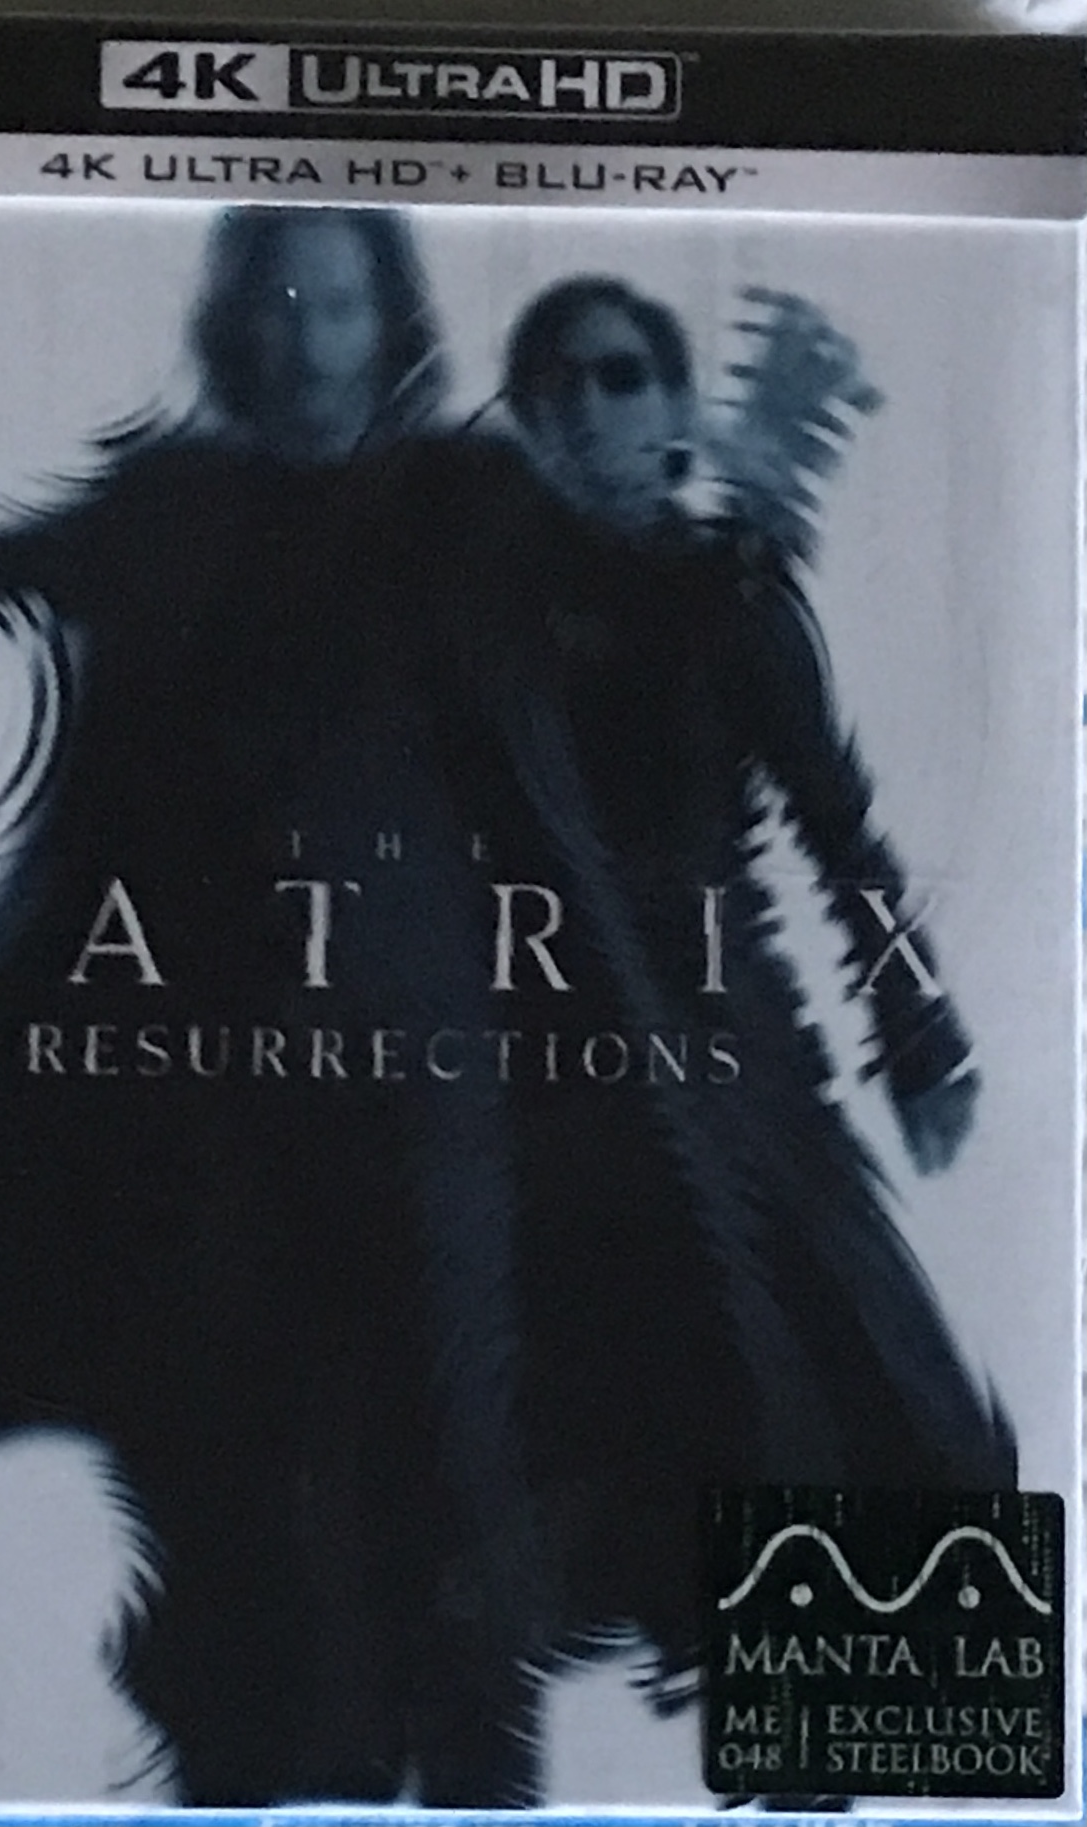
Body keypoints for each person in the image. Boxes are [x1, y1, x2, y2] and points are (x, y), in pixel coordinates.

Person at [0, 207, 554, 1808]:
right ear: (229, 323)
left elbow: (618, 622)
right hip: (219, 1088)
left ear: (389, 320)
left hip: (427, 1073)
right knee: (239, 1437)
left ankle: (474, 1762)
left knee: (453, 1431)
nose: (302, 337)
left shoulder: (472, 499)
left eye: (335, 305)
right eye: (275, 300)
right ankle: (273, 1756)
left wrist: (735, 520)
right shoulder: (171, 499)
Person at [399, 274, 1013, 1705]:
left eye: (619, 376)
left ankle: (843, 1729)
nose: (585, 404)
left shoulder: (730, 594)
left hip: (733, 1054)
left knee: (870, 1414)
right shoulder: (474, 598)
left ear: (673, 404)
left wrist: (914, 1027)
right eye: (553, 382)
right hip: (537, 1068)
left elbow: (840, 833)